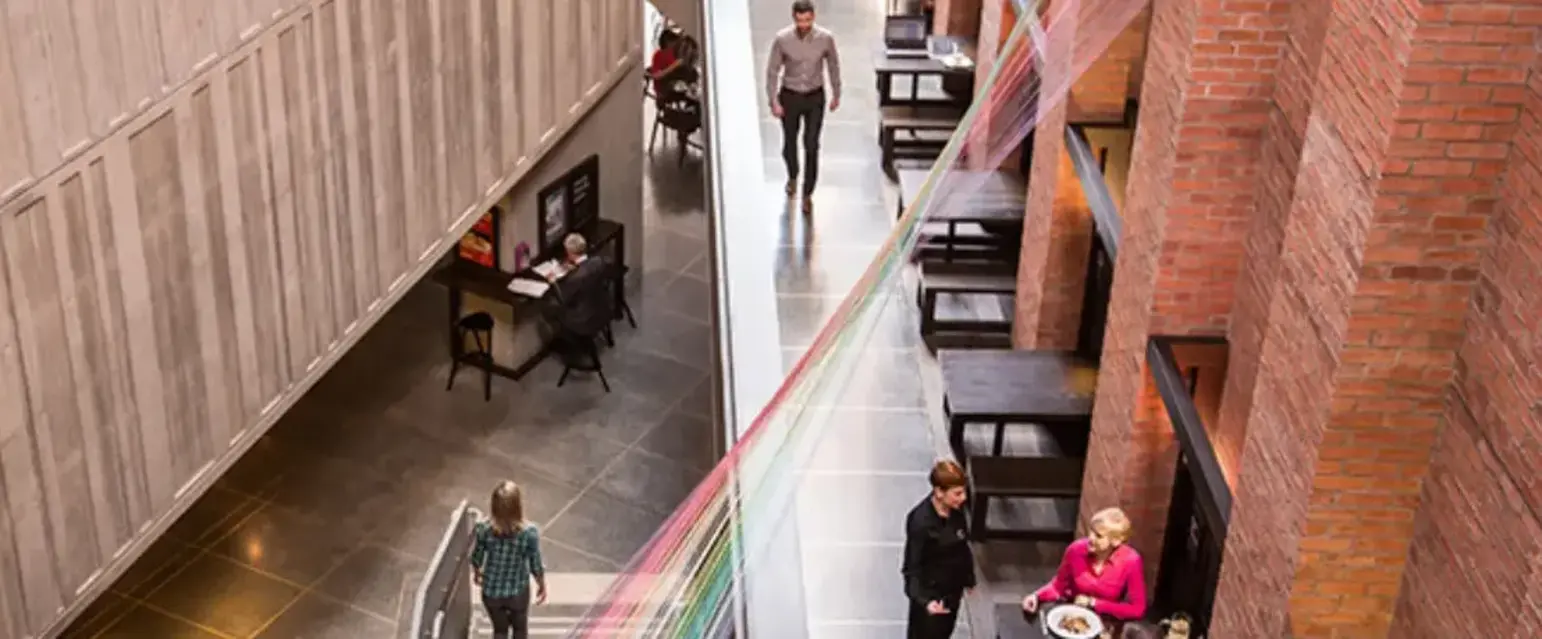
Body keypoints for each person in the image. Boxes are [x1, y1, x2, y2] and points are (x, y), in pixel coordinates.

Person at [765, 0, 842, 215]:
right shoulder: (782, 39)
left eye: (808, 20)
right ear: (794, 18)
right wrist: (773, 100)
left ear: (813, 17)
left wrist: (837, 93)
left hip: (814, 96)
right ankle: (792, 175)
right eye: (800, 20)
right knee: (789, 142)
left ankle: (808, 193)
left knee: (811, 144)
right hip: (790, 95)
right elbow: (772, 71)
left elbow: (833, 65)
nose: (804, 25)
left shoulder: (825, 38)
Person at [1022, 507, 1147, 625]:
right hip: (1071, 615)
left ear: (1115, 542)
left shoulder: (1131, 560)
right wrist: (1037, 596)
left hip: (1106, 623)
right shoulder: (1076, 550)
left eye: (1098, 536)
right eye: (1091, 531)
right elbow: (1057, 587)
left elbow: (1137, 609)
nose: (1090, 538)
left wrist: (1094, 603)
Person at [902, 460, 976, 638]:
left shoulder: (956, 511)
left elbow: (962, 547)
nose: (963, 497)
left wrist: (968, 578)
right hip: (931, 598)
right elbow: (912, 568)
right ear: (939, 492)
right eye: (957, 493)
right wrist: (924, 601)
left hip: (951, 592)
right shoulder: (920, 522)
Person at [471, 481, 548, 639]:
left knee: (499, 630)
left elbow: (477, 556)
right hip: (517, 590)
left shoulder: (484, 529)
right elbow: (535, 563)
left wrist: (477, 572)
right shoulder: (528, 533)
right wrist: (541, 583)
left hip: (491, 591)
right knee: (520, 630)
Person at [649, 30, 683, 95]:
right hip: (665, 89)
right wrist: (674, 65)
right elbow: (656, 75)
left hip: (675, 86)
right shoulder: (659, 55)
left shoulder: (675, 53)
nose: (677, 44)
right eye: (675, 41)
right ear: (668, 42)